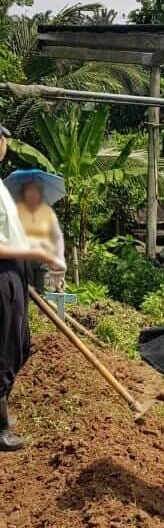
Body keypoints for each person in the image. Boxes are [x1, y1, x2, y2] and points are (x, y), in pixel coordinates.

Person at [0, 128, 65, 451]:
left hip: (16, 271)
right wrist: (37, 253)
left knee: (21, 346)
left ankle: (1, 412)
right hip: (4, 273)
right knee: (5, 350)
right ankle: (0, 430)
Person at [15, 178, 66, 293]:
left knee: (43, 293)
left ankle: (42, 310)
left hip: (43, 261)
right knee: (30, 293)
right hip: (27, 260)